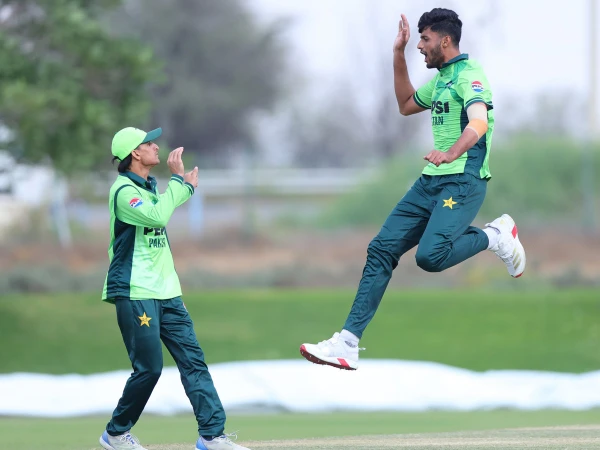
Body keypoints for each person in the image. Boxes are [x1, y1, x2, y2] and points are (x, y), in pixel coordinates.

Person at [300, 8, 525, 371]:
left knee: (430, 257)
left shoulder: (470, 75)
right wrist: (397, 54)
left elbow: (479, 122)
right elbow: (406, 105)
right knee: (381, 249)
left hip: (462, 181)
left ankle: (495, 236)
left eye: (424, 39)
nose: (419, 46)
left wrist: (451, 153)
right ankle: (347, 344)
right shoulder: (441, 80)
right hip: (430, 182)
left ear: (445, 40)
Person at [99, 127, 250, 450]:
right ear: (134, 153)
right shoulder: (123, 191)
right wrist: (179, 181)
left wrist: (185, 187)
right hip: (136, 290)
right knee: (149, 369)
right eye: (148, 143)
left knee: (193, 361)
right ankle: (115, 433)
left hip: (167, 292)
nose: (156, 147)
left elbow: (163, 206)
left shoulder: (150, 187)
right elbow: (157, 215)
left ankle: (212, 435)